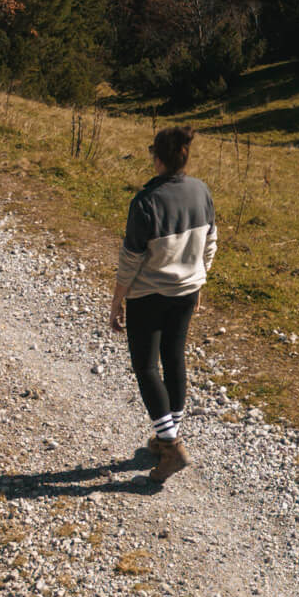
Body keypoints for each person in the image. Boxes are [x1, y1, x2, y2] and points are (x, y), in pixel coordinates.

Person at [109, 126, 216, 484]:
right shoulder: (201, 191)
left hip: (149, 296)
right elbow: (210, 243)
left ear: (158, 158)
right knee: (174, 359)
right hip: (186, 291)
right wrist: (199, 278)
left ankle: (170, 446)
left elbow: (131, 259)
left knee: (146, 367)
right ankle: (165, 436)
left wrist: (117, 300)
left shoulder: (145, 202)